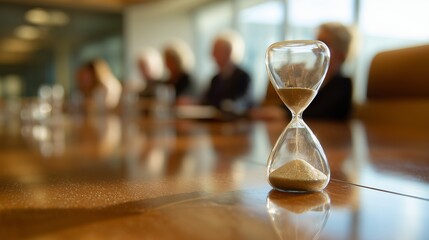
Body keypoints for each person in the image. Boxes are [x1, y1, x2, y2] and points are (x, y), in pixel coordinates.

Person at [250, 22, 353, 121]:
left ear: (341, 55)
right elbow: (294, 106)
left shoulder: (343, 85)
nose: (316, 50)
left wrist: (283, 113)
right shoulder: (310, 79)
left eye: (323, 44)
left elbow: (323, 113)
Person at [201, 30, 252, 115]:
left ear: (229, 52)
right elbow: (206, 101)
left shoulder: (243, 77)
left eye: (216, 51)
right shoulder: (215, 79)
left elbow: (244, 102)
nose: (212, 55)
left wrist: (227, 105)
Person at [162, 39, 196, 105]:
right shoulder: (169, 80)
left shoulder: (188, 80)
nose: (166, 64)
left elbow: (186, 99)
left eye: (170, 60)